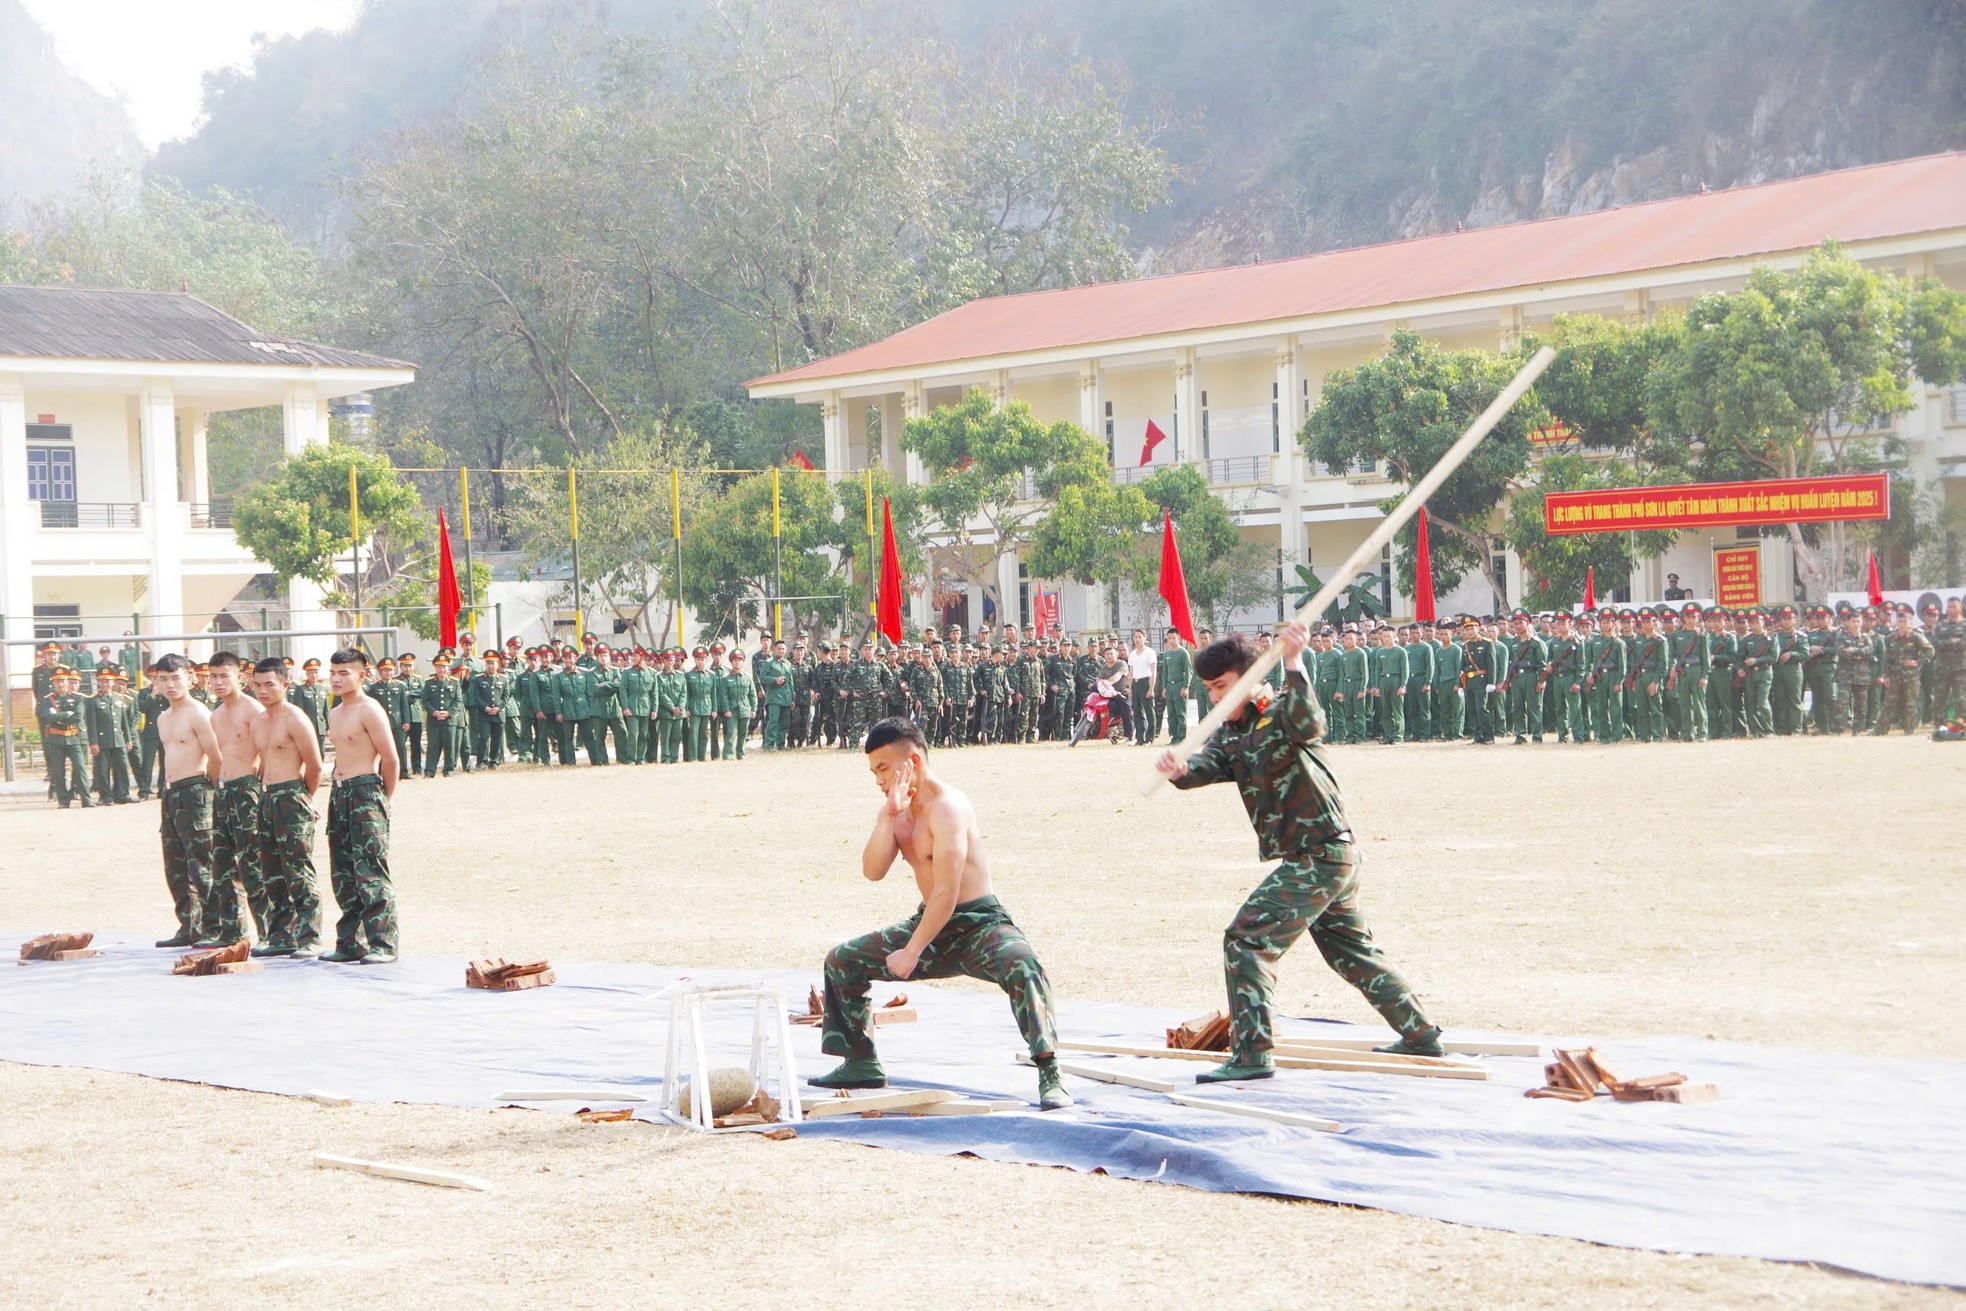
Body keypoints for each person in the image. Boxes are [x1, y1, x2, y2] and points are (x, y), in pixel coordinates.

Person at [1154, 626, 1442, 1083]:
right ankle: (1421, 1034)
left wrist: (1293, 662)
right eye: (1208, 689)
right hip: (1319, 859)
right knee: (1353, 953)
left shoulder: (1283, 711)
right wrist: (1180, 769)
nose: (1213, 698)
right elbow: (1207, 767)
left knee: (1246, 941)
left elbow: (1310, 720)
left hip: (1322, 855)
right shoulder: (1234, 730)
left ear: (1250, 678)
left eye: (1221, 686)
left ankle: (1252, 1054)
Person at [813, 717, 1071, 1110]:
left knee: (1023, 965)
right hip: (929, 924)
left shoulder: (949, 807)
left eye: (883, 769)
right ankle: (861, 1061)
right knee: (842, 960)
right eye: (873, 772)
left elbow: (948, 893)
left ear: (911, 761)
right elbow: (872, 871)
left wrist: (912, 951)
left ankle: (1049, 1069)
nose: (878, 779)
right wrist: (887, 816)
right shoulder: (898, 812)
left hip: (978, 923)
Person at [323, 648, 401, 964]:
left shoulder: (370, 710)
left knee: (370, 869)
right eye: (334, 673)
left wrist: (385, 799)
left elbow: (391, 759)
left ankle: (382, 943)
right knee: (342, 871)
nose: (336, 679)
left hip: (365, 790)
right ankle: (350, 943)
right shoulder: (335, 712)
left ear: (362, 674)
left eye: (344, 673)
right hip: (339, 793)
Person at [249, 658, 325, 957]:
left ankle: (310, 937)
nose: (263, 691)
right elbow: (264, 761)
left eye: (269, 684)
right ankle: (281, 936)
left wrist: (304, 797)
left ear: (284, 684)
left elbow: (315, 765)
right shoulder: (257, 721)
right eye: (257, 685)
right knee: (271, 871)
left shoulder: (295, 718)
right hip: (266, 797)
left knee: (298, 870)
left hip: (291, 794)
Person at [150, 653, 220, 947]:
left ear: (190, 678)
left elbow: (216, 758)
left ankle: (214, 928)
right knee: (175, 866)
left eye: (176, 678)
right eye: (163, 679)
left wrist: (207, 793)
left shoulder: (199, 713)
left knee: (202, 864)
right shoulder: (163, 717)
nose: (170, 684)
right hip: (171, 793)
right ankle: (189, 926)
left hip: (196, 790)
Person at [203, 651, 266, 947]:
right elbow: (215, 759)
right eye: (213, 676)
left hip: (247, 790)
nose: (217, 682)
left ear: (240, 677)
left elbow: (269, 754)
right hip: (223, 792)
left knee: (253, 864)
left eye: (224, 675)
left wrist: (260, 793)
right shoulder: (215, 714)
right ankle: (232, 932)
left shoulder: (254, 710)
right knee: (223, 865)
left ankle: (270, 932)